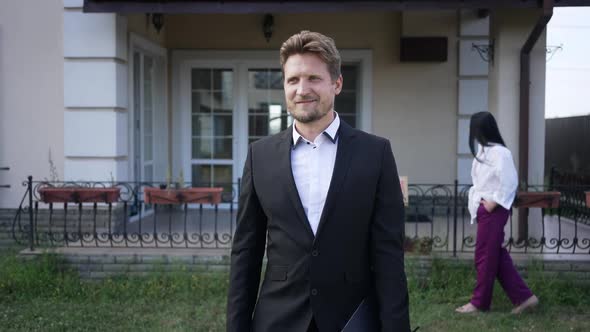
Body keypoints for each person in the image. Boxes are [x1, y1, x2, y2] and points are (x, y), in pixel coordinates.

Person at [226, 31, 410, 332]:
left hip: (351, 319)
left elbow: (389, 255)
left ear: (336, 83)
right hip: (278, 319)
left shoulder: (375, 153)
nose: (302, 89)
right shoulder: (260, 156)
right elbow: (246, 252)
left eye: (313, 78)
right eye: (293, 80)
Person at [456, 111, 539, 314]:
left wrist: (493, 202)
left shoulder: (500, 153)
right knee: (494, 256)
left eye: (475, 130)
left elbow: (509, 181)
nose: (473, 134)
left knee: (484, 256)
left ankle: (479, 303)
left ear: (483, 130)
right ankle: (525, 298)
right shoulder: (484, 151)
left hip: (494, 210)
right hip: (485, 210)